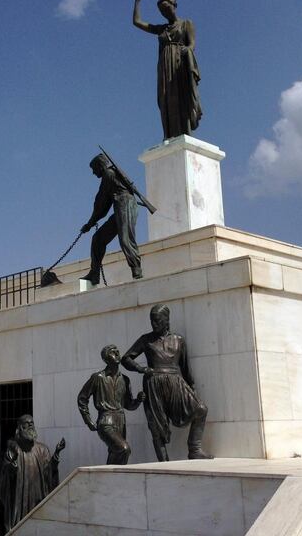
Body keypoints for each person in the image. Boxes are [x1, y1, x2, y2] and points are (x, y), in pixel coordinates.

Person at [122, 304, 213, 462]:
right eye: (152, 320)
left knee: (201, 409)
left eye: (157, 320)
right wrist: (140, 369)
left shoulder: (179, 340)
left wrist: (192, 387)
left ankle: (195, 449)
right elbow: (126, 358)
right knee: (156, 426)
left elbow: (185, 367)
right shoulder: (146, 339)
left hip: (176, 382)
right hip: (153, 384)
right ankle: (164, 462)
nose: (154, 324)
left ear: (166, 320)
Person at [132, 0, 202, 141]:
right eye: (162, 11)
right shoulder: (161, 29)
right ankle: (169, 134)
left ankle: (186, 131)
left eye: (167, 8)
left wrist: (186, 51)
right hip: (164, 66)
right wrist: (137, 1)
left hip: (179, 64)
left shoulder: (186, 24)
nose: (165, 12)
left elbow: (192, 45)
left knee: (181, 96)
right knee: (166, 98)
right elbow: (137, 22)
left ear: (175, 6)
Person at [0, 415, 65, 532]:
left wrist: (56, 454)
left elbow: (49, 472)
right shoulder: (13, 449)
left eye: (32, 423)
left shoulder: (42, 449)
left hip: (38, 495)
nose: (31, 425)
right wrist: (12, 468)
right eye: (27, 423)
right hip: (19, 498)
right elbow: (5, 476)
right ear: (20, 428)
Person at [78, 344, 145, 465]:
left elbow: (129, 405)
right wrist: (88, 421)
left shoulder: (125, 379)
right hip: (105, 420)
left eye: (117, 351)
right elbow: (82, 398)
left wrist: (138, 400)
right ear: (105, 359)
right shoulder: (98, 378)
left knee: (115, 453)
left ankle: (110, 480)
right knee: (124, 449)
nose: (117, 354)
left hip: (121, 420)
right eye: (112, 352)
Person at [81, 154, 142, 285]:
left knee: (125, 239)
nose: (93, 173)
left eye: (94, 169)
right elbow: (104, 205)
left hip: (125, 204)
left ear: (100, 166)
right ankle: (94, 274)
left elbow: (101, 202)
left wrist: (89, 223)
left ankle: (136, 269)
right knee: (98, 239)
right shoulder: (109, 175)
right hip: (119, 206)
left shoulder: (108, 174)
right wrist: (91, 223)